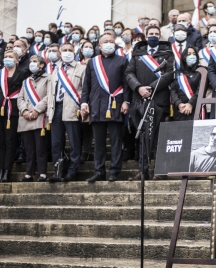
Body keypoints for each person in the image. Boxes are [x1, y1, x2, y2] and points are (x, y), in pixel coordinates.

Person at [81, 33, 131, 183]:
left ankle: (114, 171)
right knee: (99, 143)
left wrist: (126, 102)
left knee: (116, 141)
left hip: (115, 104)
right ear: (99, 46)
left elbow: (127, 84)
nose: (109, 43)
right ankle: (99, 171)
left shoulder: (122, 60)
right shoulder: (93, 62)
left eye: (111, 41)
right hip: (96, 105)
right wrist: (84, 103)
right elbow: (86, 85)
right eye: (105, 41)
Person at [126, 25, 174, 180]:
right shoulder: (138, 53)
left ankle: (159, 171)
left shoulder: (167, 52)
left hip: (159, 100)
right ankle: (143, 169)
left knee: (159, 138)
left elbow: (170, 74)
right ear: (145, 36)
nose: (153, 36)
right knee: (143, 137)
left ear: (159, 36)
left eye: (156, 34)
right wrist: (139, 87)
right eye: (150, 34)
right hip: (140, 100)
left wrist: (151, 88)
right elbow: (129, 73)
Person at [46, 43, 86, 182]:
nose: (67, 52)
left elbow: (85, 90)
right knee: (56, 142)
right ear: (59, 53)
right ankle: (58, 171)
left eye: (70, 50)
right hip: (56, 108)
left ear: (74, 52)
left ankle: (72, 170)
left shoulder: (82, 68)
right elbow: (51, 91)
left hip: (73, 108)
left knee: (74, 141)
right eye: (64, 50)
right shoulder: (56, 69)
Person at [0, 50, 31, 182]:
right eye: (5, 57)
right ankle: (0, 169)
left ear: (16, 60)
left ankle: (7, 170)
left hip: (13, 109)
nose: (7, 59)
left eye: (10, 57)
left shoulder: (23, 73)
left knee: (10, 141)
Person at [17, 55, 49, 182]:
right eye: (30, 62)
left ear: (41, 65)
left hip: (40, 116)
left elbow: (48, 96)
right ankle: (29, 173)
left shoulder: (49, 78)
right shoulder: (26, 81)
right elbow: (20, 98)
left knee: (40, 148)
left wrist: (37, 109)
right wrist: (24, 110)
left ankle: (42, 173)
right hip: (26, 118)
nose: (32, 64)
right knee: (29, 148)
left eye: (35, 62)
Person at [170, 46, 201, 121]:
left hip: (195, 108)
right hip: (180, 109)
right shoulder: (177, 73)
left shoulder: (201, 71)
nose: (192, 56)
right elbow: (173, 90)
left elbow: (200, 90)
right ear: (184, 57)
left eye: (194, 54)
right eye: (189, 54)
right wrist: (178, 104)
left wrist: (190, 104)